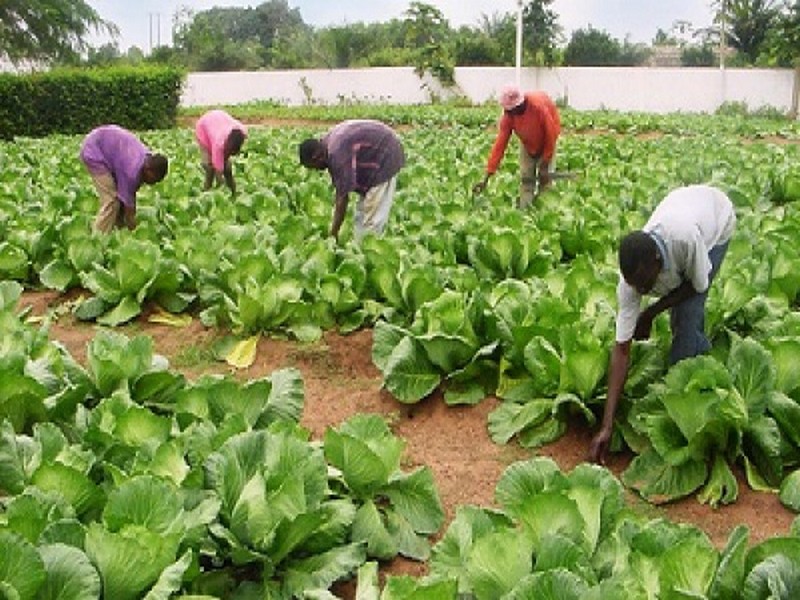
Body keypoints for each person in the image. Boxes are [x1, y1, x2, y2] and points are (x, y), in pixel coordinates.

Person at [588, 184, 737, 465]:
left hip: (716, 221)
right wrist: (606, 425)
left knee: (687, 314)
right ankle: (701, 356)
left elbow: (696, 286)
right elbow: (621, 350)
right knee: (681, 317)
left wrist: (650, 313)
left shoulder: (684, 239)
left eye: (646, 283)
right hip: (686, 206)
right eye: (636, 286)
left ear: (657, 261)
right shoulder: (631, 281)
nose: (641, 291)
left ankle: (683, 395)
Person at [298, 119, 405, 241]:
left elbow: (342, 199)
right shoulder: (326, 144)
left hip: (386, 155)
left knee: (373, 218)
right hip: (376, 151)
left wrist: (333, 233)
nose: (317, 171)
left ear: (316, 157)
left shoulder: (337, 154)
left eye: (314, 167)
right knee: (362, 214)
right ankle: (360, 246)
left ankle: (368, 248)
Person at [473, 84, 561, 209]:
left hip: (547, 141)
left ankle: (545, 210)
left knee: (545, 181)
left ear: (519, 105)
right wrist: (487, 176)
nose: (508, 112)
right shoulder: (508, 117)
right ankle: (525, 212)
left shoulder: (538, 107)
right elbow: (500, 145)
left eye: (511, 110)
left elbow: (551, 135)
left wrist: (545, 162)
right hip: (528, 144)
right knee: (526, 180)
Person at [79, 124, 168, 233]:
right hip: (94, 151)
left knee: (120, 201)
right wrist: (133, 229)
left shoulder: (146, 158)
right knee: (111, 201)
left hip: (108, 145)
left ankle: (116, 230)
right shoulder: (132, 171)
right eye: (154, 179)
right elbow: (129, 208)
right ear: (148, 170)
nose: (153, 183)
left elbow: (128, 197)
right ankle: (98, 237)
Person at [194, 109, 248, 195]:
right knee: (210, 167)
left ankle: (234, 191)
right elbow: (218, 171)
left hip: (218, 119)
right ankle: (206, 190)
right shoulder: (218, 144)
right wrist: (221, 191)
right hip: (203, 128)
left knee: (227, 169)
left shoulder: (242, 131)